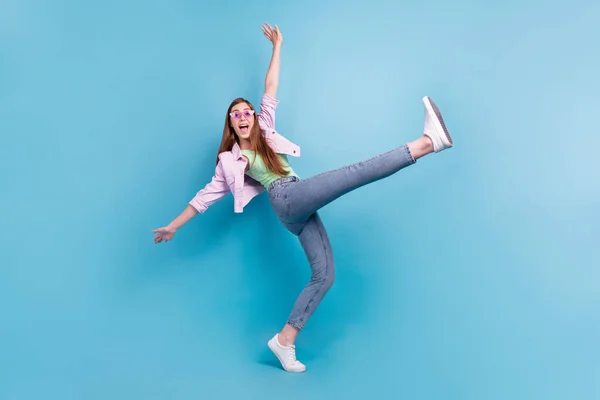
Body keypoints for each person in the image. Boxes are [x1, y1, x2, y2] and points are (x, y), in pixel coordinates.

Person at [152, 23, 453, 373]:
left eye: (247, 112)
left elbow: (270, 88)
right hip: (286, 197)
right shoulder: (231, 160)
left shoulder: (265, 128)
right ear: (231, 125)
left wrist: (277, 46)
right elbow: (203, 198)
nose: (244, 117)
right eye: (236, 115)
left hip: (293, 203)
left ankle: (284, 341)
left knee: (324, 275)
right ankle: (428, 143)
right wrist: (173, 226)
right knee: (355, 173)